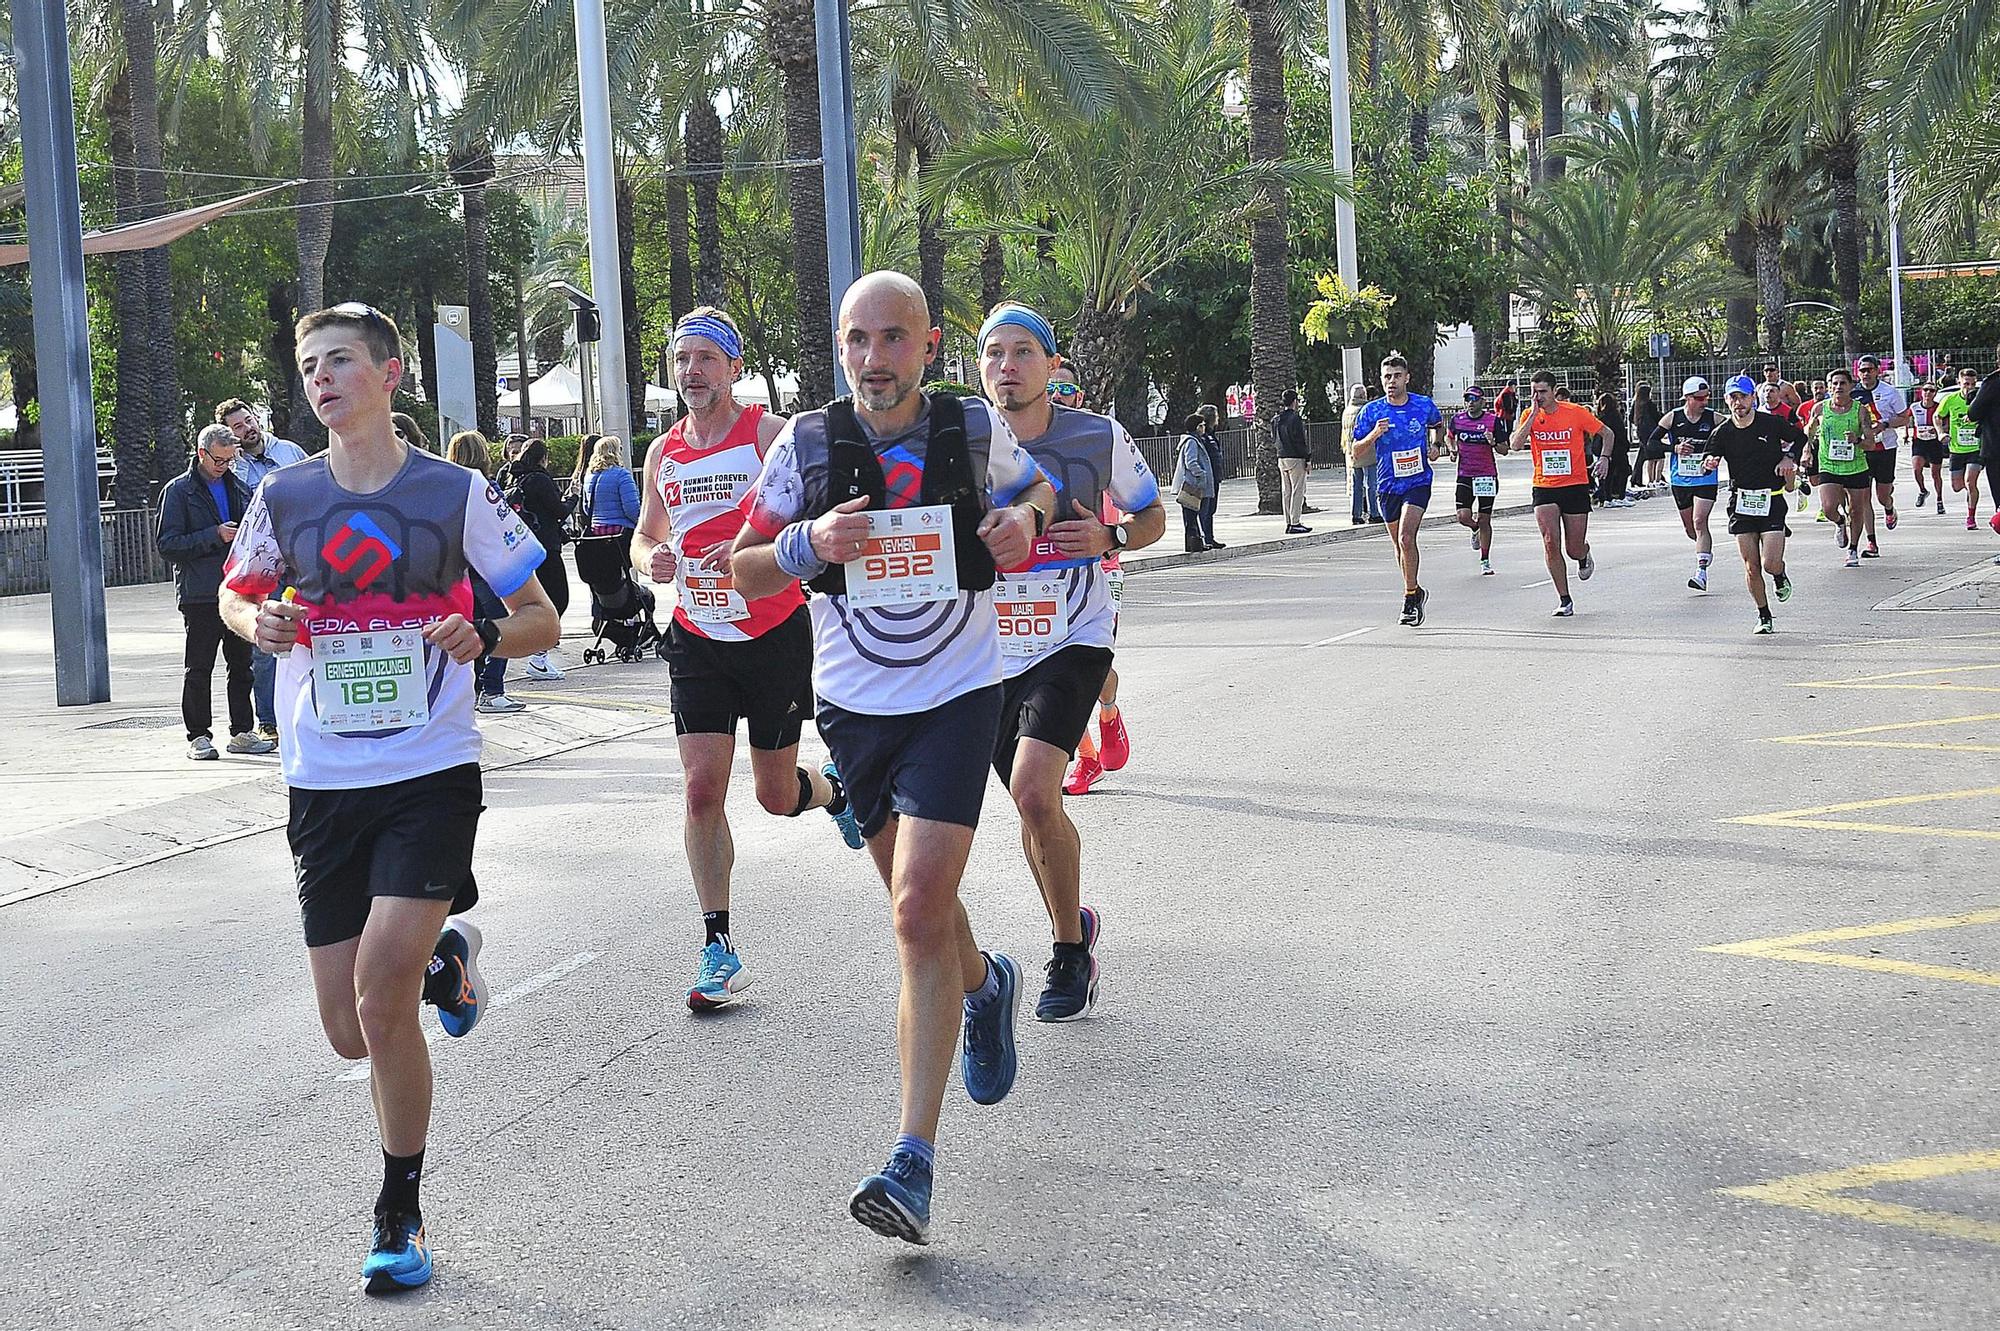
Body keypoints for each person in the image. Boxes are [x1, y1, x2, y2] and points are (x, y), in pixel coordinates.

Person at [217, 301, 561, 1292]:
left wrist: (484, 635)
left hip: (430, 772)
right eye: (308, 366)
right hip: (322, 778)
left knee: (377, 994)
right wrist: (254, 622)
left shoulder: (455, 492)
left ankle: (398, 1211)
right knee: (347, 1028)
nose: (321, 378)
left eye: (338, 361)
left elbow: (543, 616)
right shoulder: (283, 495)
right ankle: (445, 960)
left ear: (389, 373)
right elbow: (239, 592)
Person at [730, 272, 1057, 1245]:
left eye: (892, 338)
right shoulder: (806, 442)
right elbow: (742, 567)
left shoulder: (970, 427)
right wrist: (806, 543)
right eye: (856, 339)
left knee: (915, 908)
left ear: (929, 343)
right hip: (854, 708)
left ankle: (911, 1161)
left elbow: (1037, 490)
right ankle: (984, 984)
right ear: (840, 347)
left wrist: (1026, 523)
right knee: (925, 913)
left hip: (957, 696)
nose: (873, 359)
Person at [630, 306, 864, 1011]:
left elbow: (812, 518)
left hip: (773, 634)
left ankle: (833, 793)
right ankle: (717, 944)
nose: (691, 371)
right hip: (696, 637)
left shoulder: (767, 435)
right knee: (701, 790)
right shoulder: (663, 451)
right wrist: (651, 560)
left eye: (706, 358)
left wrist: (768, 555)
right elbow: (644, 536)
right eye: (681, 359)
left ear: (733, 367)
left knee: (773, 794)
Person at [976, 303, 1162, 1018]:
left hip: (1073, 637)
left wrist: (1111, 538)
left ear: (1053, 365)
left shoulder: (1096, 436)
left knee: (1033, 791)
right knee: (1035, 808)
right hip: (988, 651)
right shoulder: (960, 442)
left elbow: (1152, 515)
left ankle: (1067, 954)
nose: (1007, 367)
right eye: (994, 353)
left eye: (1023, 352)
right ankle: (1073, 923)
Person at [155, 426, 275, 760]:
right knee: (199, 667)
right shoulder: (178, 491)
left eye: (229, 460)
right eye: (218, 460)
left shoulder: (238, 488)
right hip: (200, 594)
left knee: (242, 666)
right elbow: (167, 545)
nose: (223, 466)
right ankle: (198, 736)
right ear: (201, 453)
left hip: (237, 592)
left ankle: (242, 731)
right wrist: (214, 535)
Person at [1048, 367, 1134, 798]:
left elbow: (1142, 508)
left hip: (1103, 570)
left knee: (1093, 668)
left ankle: (1109, 712)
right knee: (1057, 673)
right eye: (1052, 387)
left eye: (1066, 388)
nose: (1057, 395)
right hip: (1043, 579)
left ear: (1079, 397)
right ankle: (1086, 757)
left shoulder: (1097, 441)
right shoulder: (1017, 443)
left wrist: (1111, 535)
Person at [219, 398, 309, 741]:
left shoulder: (289, 452)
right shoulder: (234, 469)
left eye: (248, 421)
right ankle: (269, 721)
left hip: (300, 558)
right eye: (238, 427)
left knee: (308, 630)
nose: (247, 429)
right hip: (263, 564)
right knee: (265, 641)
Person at [1697, 374, 1805, 633]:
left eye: (1743, 396)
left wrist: (1789, 457)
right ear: (1726, 400)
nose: (1739, 402)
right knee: (1751, 566)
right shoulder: (1722, 432)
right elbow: (1707, 458)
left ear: (1753, 398)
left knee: (1770, 563)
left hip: (1772, 499)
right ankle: (1764, 615)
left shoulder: (1771, 423)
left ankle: (1779, 574)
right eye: (1733, 397)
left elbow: (1800, 438)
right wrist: (1708, 463)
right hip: (1741, 503)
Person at [1352, 353, 1445, 626]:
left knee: (1406, 537)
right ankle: (1415, 589)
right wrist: (1374, 434)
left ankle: (1409, 598)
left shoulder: (1423, 405)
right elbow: (1355, 452)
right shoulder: (1371, 412)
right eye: (1387, 377)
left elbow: (1437, 425)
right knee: (1398, 544)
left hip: (1418, 482)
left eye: (1396, 376)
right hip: (1388, 485)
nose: (1391, 382)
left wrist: (1436, 445)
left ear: (1407, 378)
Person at [1511, 370, 1605, 616]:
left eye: (1543, 391)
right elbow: (1515, 445)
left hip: (1574, 485)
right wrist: (1532, 415)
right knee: (1550, 542)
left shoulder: (1575, 412)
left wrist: (1604, 458)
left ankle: (1583, 554)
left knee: (1573, 548)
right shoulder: (1529, 414)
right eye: (1534, 392)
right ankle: (1565, 599)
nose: (1538, 397)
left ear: (1554, 391)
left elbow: (1608, 434)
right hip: (1544, 486)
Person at [446, 431, 525, 715]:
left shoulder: (446, 488)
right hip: (486, 570)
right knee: (499, 627)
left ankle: (475, 689)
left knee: (470, 628)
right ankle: (492, 689)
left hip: (458, 572)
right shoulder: (485, 488)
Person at [496, 438, 571, 679]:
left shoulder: (510, 476)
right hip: (545, 545)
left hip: (520, 545)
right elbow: (559, 510)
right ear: (543, 458)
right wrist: (573, 498)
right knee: (558, 598)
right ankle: (538, 656)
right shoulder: (539, 479)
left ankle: (537, 653)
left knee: (531, 601)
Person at [1646, 377, 1722, 591]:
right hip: (1681, 479)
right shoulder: (1673, 417)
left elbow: (1733, 435)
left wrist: (1716, 454)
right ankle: (1703, 549)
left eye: (1706, 397)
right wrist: (1674, 449)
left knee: (1699, 521)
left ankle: (1701, 571)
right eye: (1699, 398)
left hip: (1706, 478)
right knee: (1691, 529)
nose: (1704, 402)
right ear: (1687, 398)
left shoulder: (1714, 418)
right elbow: (1651, 443)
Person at [1811, 366, 1879, 566]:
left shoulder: (1860, 411)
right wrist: (1806, 451)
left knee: (1856, 510)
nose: (1838, 387)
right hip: (1829, 465)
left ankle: (1853, 549)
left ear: (1851, 386)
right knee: (1828, 507)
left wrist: (1857, 440)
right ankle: (1840, 523)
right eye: (1834, 383)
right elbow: (1810, 432)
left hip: (1855, 466)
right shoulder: (1820, 408)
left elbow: (1871, 443)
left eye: (1843, 383)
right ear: (1829, 387)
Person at [1855, 354, 1910, 551]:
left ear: (1877, 371)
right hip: (1863, 449)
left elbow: (1905, 418)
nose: (1866, 374)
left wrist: (1885, 424)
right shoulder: (1853, 393)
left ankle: (1889, 507)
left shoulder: (1889, 392)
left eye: (1869, 370)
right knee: (1864, 496)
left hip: (1885, 448)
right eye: (1862, 370)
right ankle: (1871, 541)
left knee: (1882, 495)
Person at [1448, 386, 1504, 573]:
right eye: (1467, 399)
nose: (1470, 403)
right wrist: (1452, 449)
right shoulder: (1458, 419)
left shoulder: (1493, 421)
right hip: (1465, 474)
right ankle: (1474, 529)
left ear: (1483, 402)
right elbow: (1449, 437)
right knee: (1463, 516)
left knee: (1484, 518)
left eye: (1474, 399)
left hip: (1486, 475)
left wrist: (1492, 442)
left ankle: (1485, 560)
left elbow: (1505, 449)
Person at [580, 436, 642, 563]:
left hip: (596, 532)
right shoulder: (622, 475)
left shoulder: (589, 477)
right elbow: (632, 510)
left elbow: (587, 508)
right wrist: (643, 524)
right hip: (620, 533)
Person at [1938, 365, 1985, 530]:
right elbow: (1938, 416)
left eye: (1972, 384)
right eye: (1966, 384)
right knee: (1957, 486)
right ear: (1959, 383)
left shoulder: (1980, 400)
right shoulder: (1950, 399)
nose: (1969, 388)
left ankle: (1971, 517)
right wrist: (1941, 433)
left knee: (1970, 481)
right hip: (1956, 449)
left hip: (1976, 448)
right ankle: (1971, 493)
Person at [1173, 413, 1216, 553]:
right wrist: (1201, 474)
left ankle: (1195, 543)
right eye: (1202, 425)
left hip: (1194, 484)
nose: (1204, 428)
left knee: (1192, 516)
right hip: (1193, 484)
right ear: (1197, 427)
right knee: (1191, 515)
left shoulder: (1196, 440)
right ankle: (1194, 543)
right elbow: (1191, 462)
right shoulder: (1192, 442)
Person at [1275, 388, 1312, 533]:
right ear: (1295, 401)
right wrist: (1307, 458)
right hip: (1295, 457)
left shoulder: (1276, 419)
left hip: (1282, 456)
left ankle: (1289, 521)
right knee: (1298, 490)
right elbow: (1300, 440)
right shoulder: (1295, 419)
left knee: (1287, 491)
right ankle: (1295, 521)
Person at [1342, 384, 1380, 523]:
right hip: (1367, 451)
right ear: (1363, 396)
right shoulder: (1365, 410)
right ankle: (1374, 513)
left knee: (1356, 485)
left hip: (1352, 452)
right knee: (1371, 484)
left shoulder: (1347, 411)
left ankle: (1356, 515)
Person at [1592, 390, 1633, 508]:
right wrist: (1626, 446)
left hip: (1603, 449)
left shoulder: (1600, 417)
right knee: (1623, 472)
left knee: (1606, 475)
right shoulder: (1616, 416)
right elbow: (1620, 433)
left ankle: (1606, 498)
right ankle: (1620, 496)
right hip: (1618, 449)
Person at [1909, 381, 1946, 513]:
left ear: (1935, 393)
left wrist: (1938, 430)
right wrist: (1907, 434)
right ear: (1921, 391)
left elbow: (1947, 423)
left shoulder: (1939, 407)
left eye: (1931, 391)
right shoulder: (1914, 406)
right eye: (1925, 390)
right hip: (1919, 442)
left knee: (1935, 473)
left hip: (1934, 443)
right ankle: (1922, 490)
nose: (1928, 393)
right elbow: (1907, 419)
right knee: (1916, 468)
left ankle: (1939, 500)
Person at [1196, 404, 1226, 549]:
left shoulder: (1211, 435)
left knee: (1211, 509)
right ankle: (1205, 537)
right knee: (1205, 510)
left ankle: (1209, 537)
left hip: (1215, 477)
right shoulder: (1203, 437)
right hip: (1208, 477)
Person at [1630, 382, 1663, 490]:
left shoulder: (1636, 405)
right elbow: (1657, 417)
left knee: (1645, 456)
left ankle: (1637, 478)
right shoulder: (1650, 404)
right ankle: (1656, 479)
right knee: (1658, 456)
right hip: (1652, 433)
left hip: (1641, 433)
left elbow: (1630, 418)